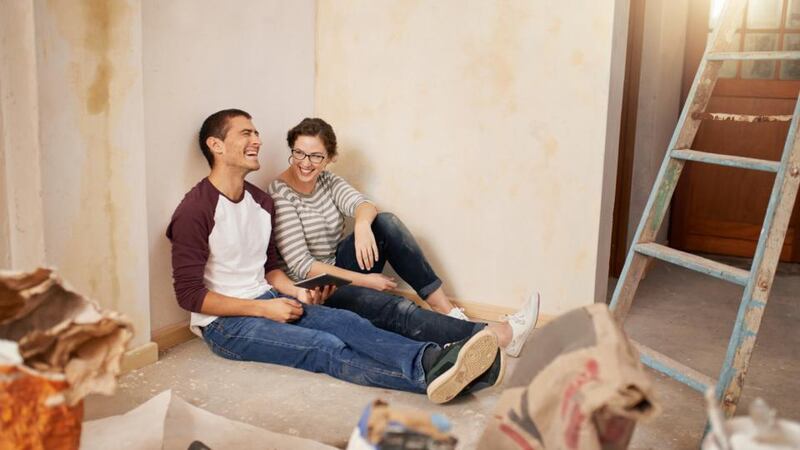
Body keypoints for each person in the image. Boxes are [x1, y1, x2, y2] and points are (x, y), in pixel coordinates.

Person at [166, 109, 503, 404]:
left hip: (270, 297)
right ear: (216, 145)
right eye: (246, 133)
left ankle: (440, 361)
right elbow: (190, 296)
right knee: (324, 346)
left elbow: (269, 267)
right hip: (226, 325)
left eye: (256, 132)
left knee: (347, 322)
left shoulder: (259, 202)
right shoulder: (195, 210)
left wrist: (295, 292)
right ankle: (434, 371)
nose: (257, 139)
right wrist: (262, 307)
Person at [268, 118, 538, 357]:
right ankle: (500, 336)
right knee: (396, 306)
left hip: (337, 266)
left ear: (329, 158)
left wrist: (362, 226)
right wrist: (366, 280)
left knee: (385, 222)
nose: (306, 163)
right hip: (314, 288)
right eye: (299, 153)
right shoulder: (281, 192)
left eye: (316, 156)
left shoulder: (327, 180)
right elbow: (303, 265)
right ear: (291, 150)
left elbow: (364, 205)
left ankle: (448, 312)